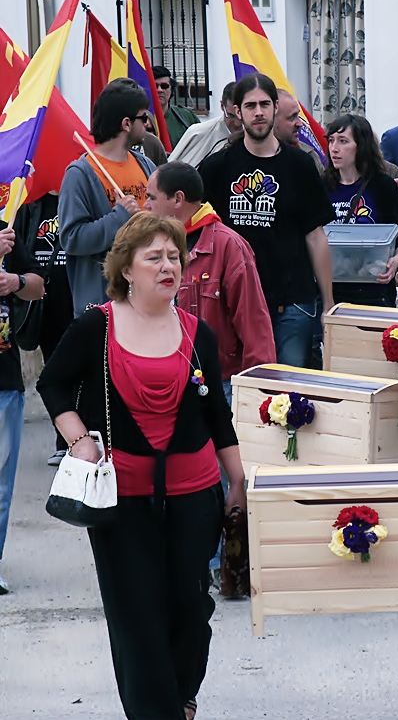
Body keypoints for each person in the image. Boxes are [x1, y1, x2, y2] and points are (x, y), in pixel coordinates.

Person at [36, 212, 245, 720]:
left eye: (174, 256)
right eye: (154, 257)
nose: (168, 265)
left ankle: (182, 695)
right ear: (126, 269)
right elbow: (53, 384)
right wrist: (79, 439)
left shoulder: (198, 333)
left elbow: (218, 414)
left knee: (193, 611)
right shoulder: (95, 326)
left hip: (196, 495)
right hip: (121, 498)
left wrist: (237, 482)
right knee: (137, 617)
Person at [200, 73, 335, 368]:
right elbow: (199, 233)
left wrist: (328, 303)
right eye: (250, 106)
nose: (258, 112)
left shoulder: (300, 165)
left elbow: (316, 236)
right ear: (237, 111)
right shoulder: (217, 167)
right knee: (245, 392)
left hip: (294, 304)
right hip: (235, 302)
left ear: (275, 107)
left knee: (288, 394)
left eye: (264, 104)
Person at [145, 161, 275, 402]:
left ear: (177, 199)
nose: (146, 205)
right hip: (165, 382)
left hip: (217, 386)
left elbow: (254, 326)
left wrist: (259, 393)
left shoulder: (229, 247)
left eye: (152, 197)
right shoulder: (150, 245)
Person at [59, 78, 155, 316]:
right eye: (143, 118)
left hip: (147, 301)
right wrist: (119, 217)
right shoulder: (80, 174)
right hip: (104, 308)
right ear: (126, 123)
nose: (147, 124)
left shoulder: (146, 165)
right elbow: (72, 239)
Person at [323, 113, 398, 307]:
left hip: (374, 290)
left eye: (343, 141)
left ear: (361, 146)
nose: (334, 148)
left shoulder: (382, 185)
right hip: (332, 291)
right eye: (331, 141)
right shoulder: (322, 185)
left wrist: (396, 260)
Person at [14, 192, 74, 465]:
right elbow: (23, 250)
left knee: (78, 374)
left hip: (74, 298)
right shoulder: (31, 206)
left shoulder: (76, 199)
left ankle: (78, 439)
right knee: (53, 372)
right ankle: (64, 440)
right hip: (44, 304)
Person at [0, 223, 44, 595]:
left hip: (4, 379)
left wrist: (14, 281)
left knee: (0, 481)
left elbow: (38, 285)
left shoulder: (5, 232)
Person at [169, 82, 241, 167]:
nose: (237, 123)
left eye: (241, 115)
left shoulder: (256, 134)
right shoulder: (198, 132)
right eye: (231, 115)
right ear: (222, 106)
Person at [153, 66, 200, 149]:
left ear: (171, 89)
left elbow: (201, 142)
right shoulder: (141, 119)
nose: (159, 90)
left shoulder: (186, 115)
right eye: (155, 86)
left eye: (164, 86)